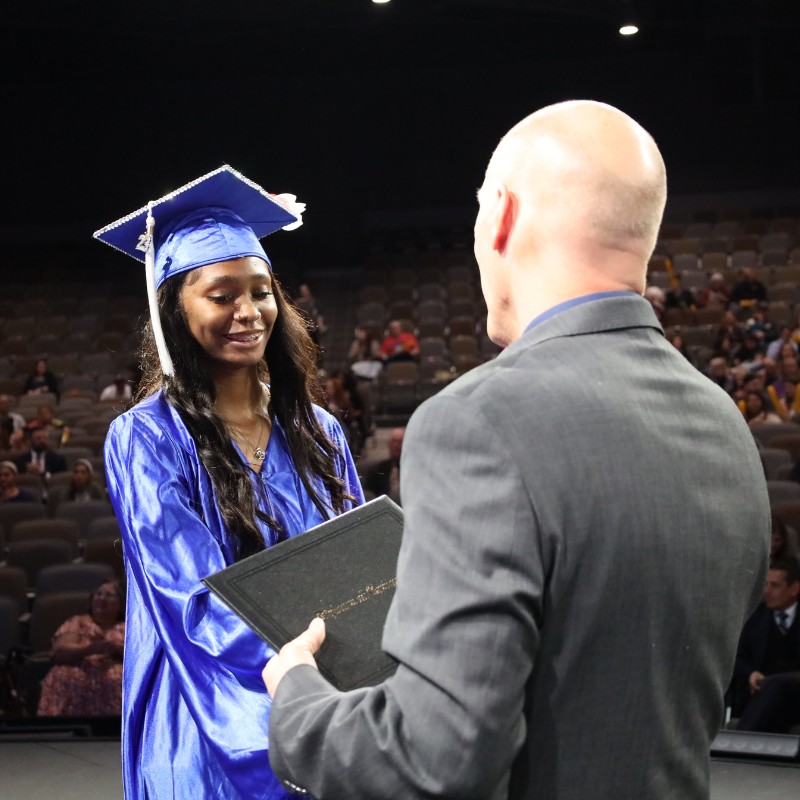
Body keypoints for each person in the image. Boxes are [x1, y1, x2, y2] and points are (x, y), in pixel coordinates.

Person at [262, 101, 770, 800]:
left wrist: (295, 699)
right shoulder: (724, 422)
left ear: (499, 213)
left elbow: (433, 760)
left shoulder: (476, 422)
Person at [95, 165, 364, 800]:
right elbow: (190, 598)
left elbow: (356, 558)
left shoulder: (317, 429)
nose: (249, 312)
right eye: (221, 296)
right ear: (173, 311)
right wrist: (291, 673)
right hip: (208, 702)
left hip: (328, 691)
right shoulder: (146, 439)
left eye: (262, 291)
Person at [37, 579, 125, 716]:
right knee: (65, 677)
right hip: (74, 671)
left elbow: (142, 659)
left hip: (116, 675)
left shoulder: (129, 627)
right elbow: (60, 650)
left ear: (121, 604)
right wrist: (92, 648)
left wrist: (116, 649)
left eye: (109, 595)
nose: (102, 598)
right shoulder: (79, 622)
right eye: (98, 594)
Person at [731, 559, 800, 733]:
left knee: (780, 683)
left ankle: (742, 740)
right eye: (766, 585)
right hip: (761, 693)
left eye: (775, 586)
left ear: (794, 588)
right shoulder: (755, 617)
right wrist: (750, 673)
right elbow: (736, 657)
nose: (767, 592)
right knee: (771, 687)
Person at [361, 426, 404, 504]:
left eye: (399, 442)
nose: (396, 446)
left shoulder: (411, 470)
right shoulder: (377, 470)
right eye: (393, 441)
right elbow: (368, 494)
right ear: (389, 444)